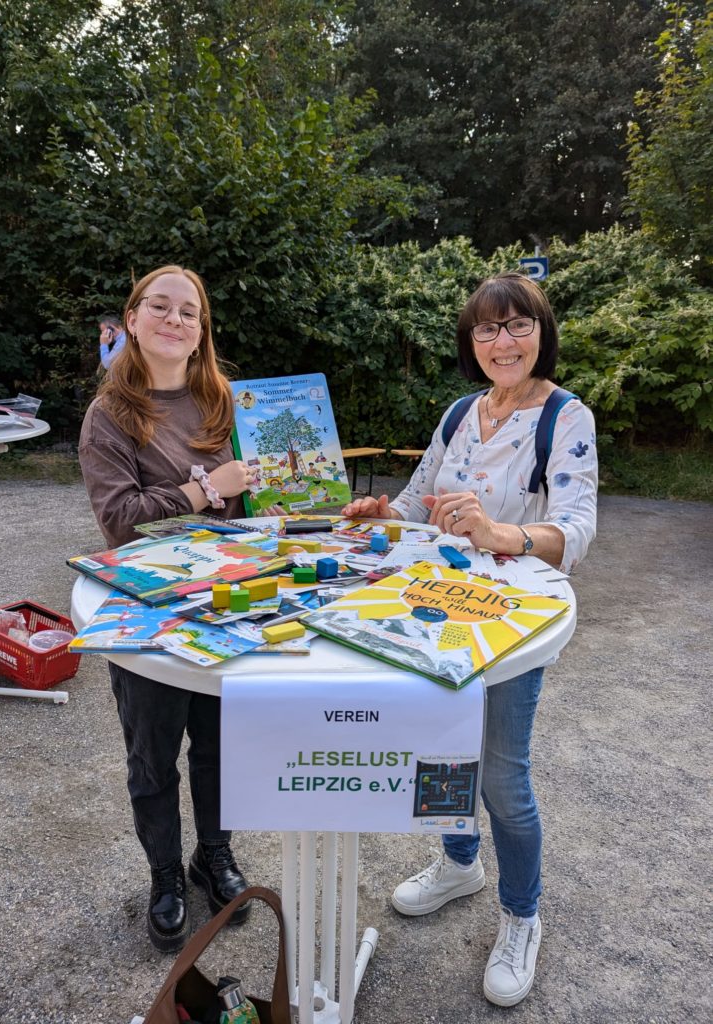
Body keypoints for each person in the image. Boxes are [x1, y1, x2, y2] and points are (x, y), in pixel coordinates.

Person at [342, 271, 597, 1007]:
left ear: (540, 332)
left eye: (517, 325)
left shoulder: (564, 417)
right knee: (441, 751)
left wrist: (500, 534)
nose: (502, 340)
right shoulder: (459, 412)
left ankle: (521, 917)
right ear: (471, 342)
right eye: (487, 329)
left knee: (502, 780)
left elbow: (576, 529)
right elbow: (417, 498)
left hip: (510, 622)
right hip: (436, 610)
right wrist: (379, 512)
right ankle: (459, 863)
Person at [79, 265, 259, 953]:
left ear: (200, 330)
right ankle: (164, 877)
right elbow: (121, 523)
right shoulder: (110, 415)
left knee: (221, 746)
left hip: (224, 604)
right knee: (153, 757)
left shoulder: (226, 403)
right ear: (132, 319)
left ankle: (211, 855)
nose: (175, 320)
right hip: (147, 613)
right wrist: (204, 491)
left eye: (189, 312)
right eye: (160, 307)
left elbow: (254, 509)